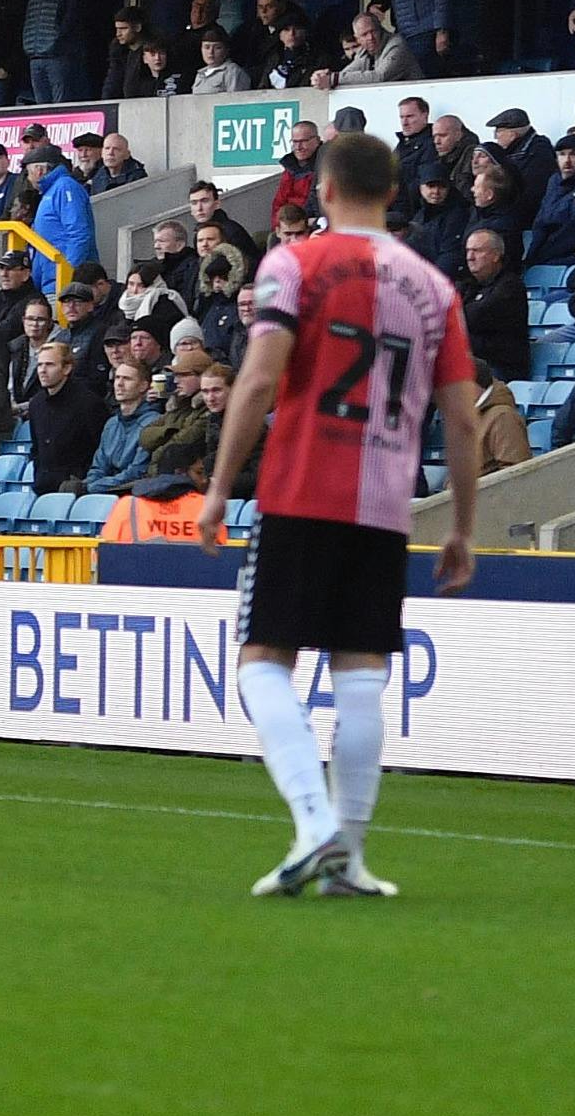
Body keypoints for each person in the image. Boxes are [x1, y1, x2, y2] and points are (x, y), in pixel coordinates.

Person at [201, 132, 482, 901]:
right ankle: (348, 858)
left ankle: (313, 819)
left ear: (323, 190)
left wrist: (220, 485)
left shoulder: (293, 265)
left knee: (263, 662)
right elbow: (463, 420)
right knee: (361, 675)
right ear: (392, 192)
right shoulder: (435, 288)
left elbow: (260, 379)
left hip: (299, 491)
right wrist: (461, 527)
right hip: (384, 506)